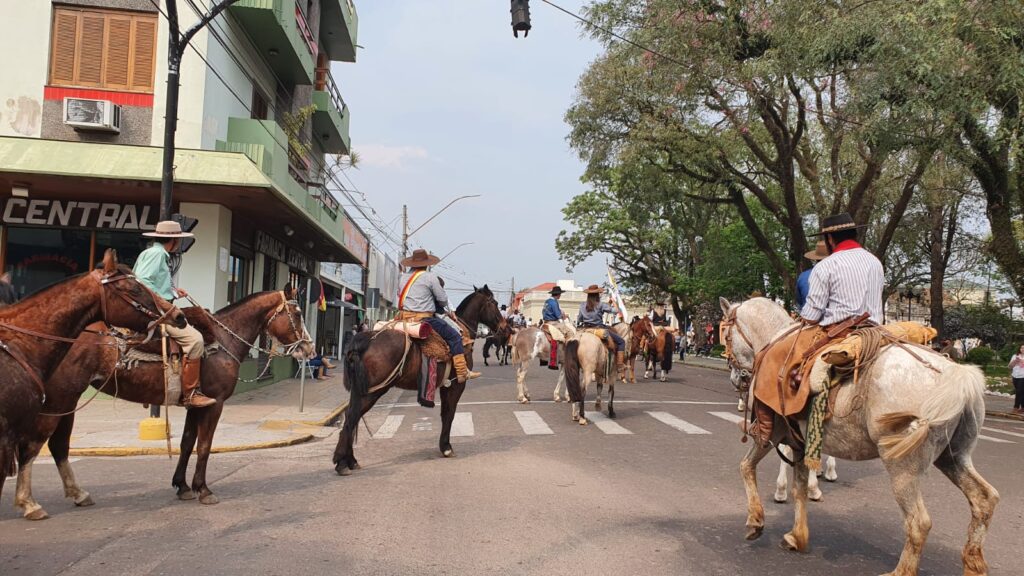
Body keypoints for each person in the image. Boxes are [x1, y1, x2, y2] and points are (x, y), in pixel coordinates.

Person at [133, 220, 215, 408]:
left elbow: (153, 283)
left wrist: (174, 292)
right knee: (196, 341)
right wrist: (164, 304)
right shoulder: (157, 255)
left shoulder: (153, 252)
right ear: (173, 240)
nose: (178, 243)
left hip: (160, 307)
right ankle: (190, 393)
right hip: (158, 312)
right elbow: (143, 283)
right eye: (177, 239)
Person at [396, 249, 479, 383]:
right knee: (455, 336)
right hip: (424, 318)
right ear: (426, 264)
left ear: (412, 264)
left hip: (403, 318)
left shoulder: (403, 277)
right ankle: (462, 372)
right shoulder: (430, 277)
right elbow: (442, 299)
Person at [800, 212, 884, 326]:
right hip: (875, 332)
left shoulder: (825, 266)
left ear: (829, 238)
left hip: (840, 333)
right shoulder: (875, 262)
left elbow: (811, 316)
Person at [576, 284, 626, 379]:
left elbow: (579, 319)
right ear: (597, 295)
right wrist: (614, 303)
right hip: (598, 329)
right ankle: (620, 365)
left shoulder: (582, 305)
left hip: (585, 329)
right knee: (621, 341)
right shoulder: (601, 305)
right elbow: (615, 311)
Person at [795, 240, 828, 310]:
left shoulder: (803, 276)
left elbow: (799, 301)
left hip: (806, 316)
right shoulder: (836, 274)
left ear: (816, 259)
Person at [541, 286, 568, 370]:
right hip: (553, 322)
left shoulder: (547, 301)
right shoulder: (554, 302)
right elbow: (558, 315)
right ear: (558, 294)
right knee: (568, 332)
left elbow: (543, 311)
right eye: (560, 294)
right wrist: (564, 316)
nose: (560, 296)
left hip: (545, 322)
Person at [1009, 345, 1024, 413]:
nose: (1023, 349)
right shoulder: (1015, 356)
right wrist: (1015, 362)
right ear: (1019, 349)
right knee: (1021, 392)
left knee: (1018, 391)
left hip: (1023, 376)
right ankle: (1023, 407)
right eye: (1022, 348)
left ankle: (1016, 407)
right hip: (1015, 376)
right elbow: (1010, 366)